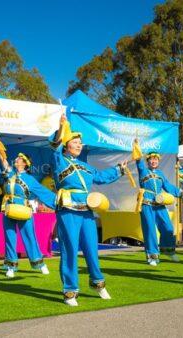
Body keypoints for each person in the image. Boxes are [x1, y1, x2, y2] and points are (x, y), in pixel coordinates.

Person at [50, 113, 127, 306]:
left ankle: (97, 283)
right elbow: (54, 146)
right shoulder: (58, 161)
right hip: (68, 210)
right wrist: (61, 128)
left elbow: (100, 177)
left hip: (87, 211)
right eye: (75, 142)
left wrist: (119, 169)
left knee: (92, 249)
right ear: (66, 144)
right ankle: (70, 290)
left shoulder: (85, 166)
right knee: (69, 250)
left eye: (80, 143)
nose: (78, 145)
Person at [0, 131, 56, 278]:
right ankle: (11, 266)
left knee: (29, 236)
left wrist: (59, 201)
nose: (16, 159)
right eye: (17, 158)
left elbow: (44, 193)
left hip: (23, 210)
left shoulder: (31, 180)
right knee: (9, 237)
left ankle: (40, 264)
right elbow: (2, 156)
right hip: (8, 208)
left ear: (25, 163)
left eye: (20, 158)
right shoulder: (10, 173)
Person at [132, 137, 183, 266]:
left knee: (168, 227)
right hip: (147, 205)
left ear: (158, 161)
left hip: (160, 204)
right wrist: (136, 146)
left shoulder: (161, 174)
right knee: (150, 230)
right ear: (148, 161)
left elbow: (168, 187)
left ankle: (168, 250)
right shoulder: (143, 171)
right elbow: (138, 160)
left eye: (156, 159)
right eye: (151, 159)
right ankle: (152, 257)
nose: (153, 161)